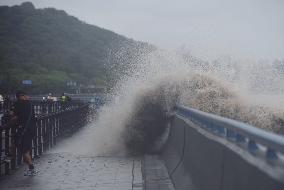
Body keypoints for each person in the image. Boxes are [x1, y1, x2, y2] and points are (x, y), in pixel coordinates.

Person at [11, 91, 37, 176]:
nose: (27, 96)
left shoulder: (18, 104)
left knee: (23, 148)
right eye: (26, 95)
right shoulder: (30, 104)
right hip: (32, 128)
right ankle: (15, 159)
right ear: (22, 96)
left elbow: (14, 116)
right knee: (27, 147)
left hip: (23, 129)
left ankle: (31, 168)